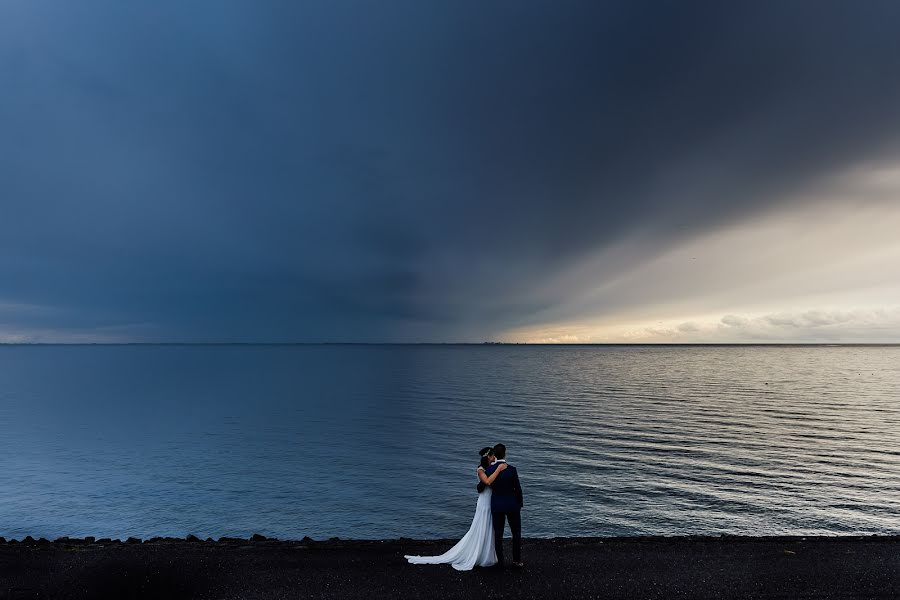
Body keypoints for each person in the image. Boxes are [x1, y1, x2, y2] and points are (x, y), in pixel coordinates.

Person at [404, 447, 508, 570]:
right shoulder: (480, 470)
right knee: (481, 526)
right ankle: (479, 554)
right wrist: (499, 469)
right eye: (492, 456)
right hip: (484, 502)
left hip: (492, 501)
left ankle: (488, 555)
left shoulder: (491, 468)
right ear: (488, 457)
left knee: (489, 527)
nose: (494, 458)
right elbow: (487, 482)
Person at [485, 443, 523, 567]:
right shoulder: (512, 469)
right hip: (512, 505)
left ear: (494, 455)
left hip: (497, 505)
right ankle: (516, 561)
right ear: (505, 453)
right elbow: (518, 489)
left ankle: (500, 562)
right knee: (516, 533)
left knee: (498, 534)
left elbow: (484, 486)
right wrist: (520, 503)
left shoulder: (489, 470)